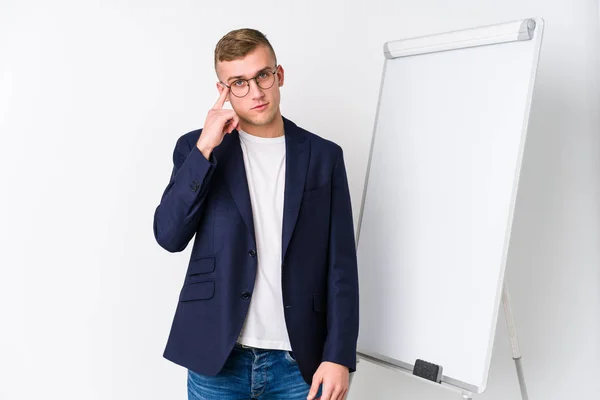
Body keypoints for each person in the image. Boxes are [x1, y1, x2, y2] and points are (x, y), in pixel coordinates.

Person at [153, 27, 359, 400]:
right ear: (223, 91)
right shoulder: (196, 149)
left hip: (301, 362)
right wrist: (204, 149)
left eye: (262, 75)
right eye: (239, 83)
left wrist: (339, 355)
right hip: (217, 357)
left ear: (278, 75)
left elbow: (341, 265)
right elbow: (169, 235)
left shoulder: (324, 157)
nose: (256, 92)